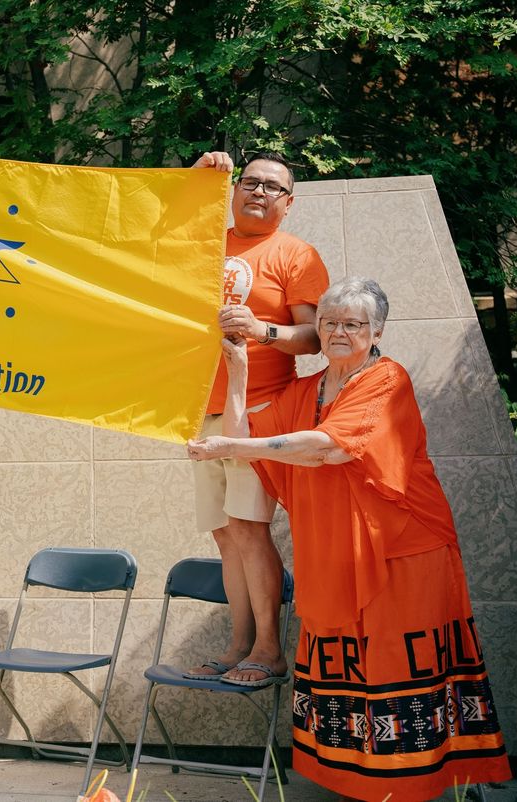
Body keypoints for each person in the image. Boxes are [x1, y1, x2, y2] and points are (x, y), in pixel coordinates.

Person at [187, 277, 511, 801]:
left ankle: (425, 784)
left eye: (353, 323)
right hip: (331, 551)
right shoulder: (303, 390)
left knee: (399, 662)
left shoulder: (386, 380)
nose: (339, 331)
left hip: (404, 548)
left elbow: (328, 448)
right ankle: (359, 784)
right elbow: (246, 440)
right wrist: (240, 372)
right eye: (330, 321)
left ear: (377, 330)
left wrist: (230, 441)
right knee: (349, 661)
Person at [183, 151, 330, 687]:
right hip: (199, 410)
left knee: (249, 529)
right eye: (250, 182)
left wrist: (261, 331)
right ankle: (238, 645)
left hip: (261, 411)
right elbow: (147, 246)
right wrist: (191, 185)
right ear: (235, 188)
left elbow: (315, 338)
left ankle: (267, 650)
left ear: (288, 204)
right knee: (224, 534)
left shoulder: (297, 255)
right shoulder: (203, 240)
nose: (258, 192)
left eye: (272, 187)